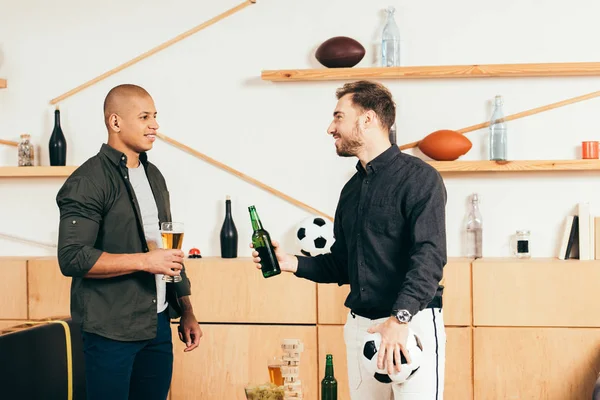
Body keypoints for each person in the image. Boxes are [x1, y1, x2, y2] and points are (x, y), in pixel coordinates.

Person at [251, 81, 447, 399]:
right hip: (361, 329)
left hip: (411, 325)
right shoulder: (351, 189)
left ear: (367, 119)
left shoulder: (420, 178)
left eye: (339, 116)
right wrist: (290, 262)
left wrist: (400, 318)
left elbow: (430, 255)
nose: (331, 127)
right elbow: (342, 264)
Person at [56, 84, 202, 400]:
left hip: (159, 324)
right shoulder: (87, 181)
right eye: (145, 116)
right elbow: (72, 258)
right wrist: (144, 261)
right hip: (111, 331)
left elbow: (169, 252)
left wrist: (185, 308)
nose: (155, 125)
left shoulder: (155, 177)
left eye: (155, 116)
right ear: (116, 122)